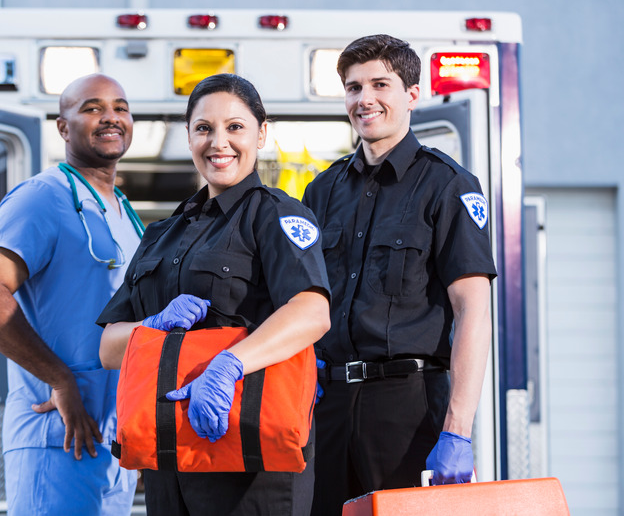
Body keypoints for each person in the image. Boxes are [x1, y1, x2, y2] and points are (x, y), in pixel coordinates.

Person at [96, 73, 331, 516]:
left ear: (262, 133)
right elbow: (109, 348)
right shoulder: (161, 235)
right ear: (189, 137)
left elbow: (312, 312)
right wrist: (150, 328)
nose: (218, 142)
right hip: (170, 460)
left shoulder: (276, 215)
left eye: (235, 127)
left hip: (250, 460)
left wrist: (229, 364)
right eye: (204, 128)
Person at [302, 35, 497, 515]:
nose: (364, 98)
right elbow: (301, 304)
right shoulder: (321, 192)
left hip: (407, 410)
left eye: (379, 84)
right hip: (327, 408)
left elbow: (473, 309)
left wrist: (457, 430)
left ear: (413, 94)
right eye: (353, 88)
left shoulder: (447, 185)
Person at [0, 74, 142, 515]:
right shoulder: (43, 197)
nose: (111, 117)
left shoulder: (121, 211)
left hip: (113, 442)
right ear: (63, 127)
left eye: (120, 107)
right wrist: (60, 379)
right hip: (56, 435)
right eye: (92, 108)